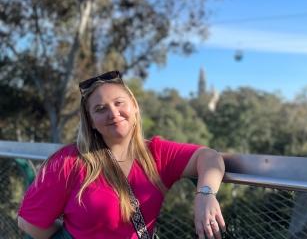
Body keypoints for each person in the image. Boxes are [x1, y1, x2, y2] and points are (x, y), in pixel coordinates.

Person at [17, 70, 226, 239]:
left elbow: (209, 157)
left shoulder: (156, 154)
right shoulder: (68, 162)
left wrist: (205, 195)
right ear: (90, 121)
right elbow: (29, 222)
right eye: (100, 109)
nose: (113, 113)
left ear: (134, 107)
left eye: (119, 103)